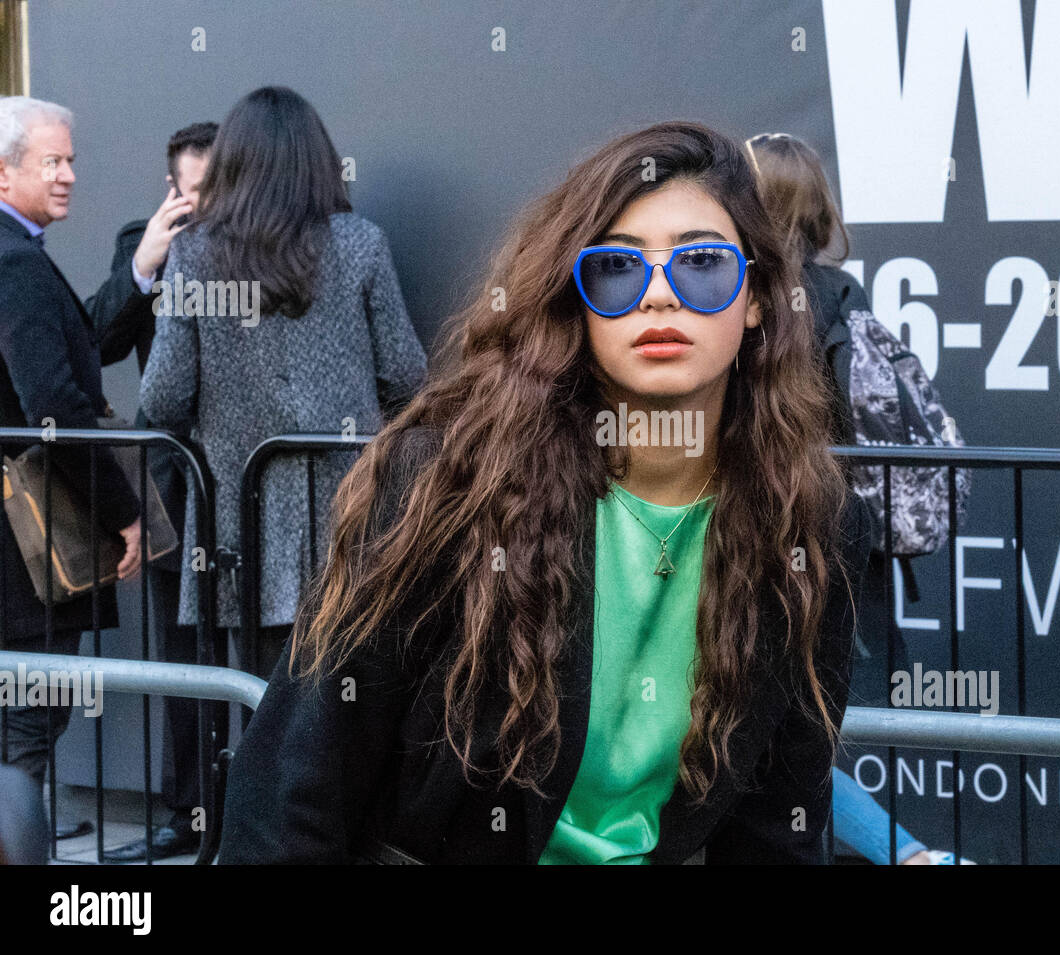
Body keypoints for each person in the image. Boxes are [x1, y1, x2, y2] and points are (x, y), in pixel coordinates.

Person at [218, 120, 874, 864]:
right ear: (578, 301)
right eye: (618, 269)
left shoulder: (808, 523)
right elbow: (296, 781)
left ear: (756, 298)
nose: (659, 295)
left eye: (700, 263)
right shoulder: (451, 481)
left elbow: (777, 827)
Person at [140, 88, 426, 683]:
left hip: (241, 525)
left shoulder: (193, 253)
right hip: (353, 515)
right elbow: (407, 376)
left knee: (264, 708)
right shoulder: (361, 243)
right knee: (349, 707)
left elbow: (162, 399)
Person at [746, 131, 972, 865]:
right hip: (846, 551)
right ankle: (916, 858)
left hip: (771, 551)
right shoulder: (846, 297)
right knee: (793, 743)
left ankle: (912, 857)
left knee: (776, 742)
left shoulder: (754, 304)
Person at [0, 96, 141, 840]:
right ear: (2, 173)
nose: (68, 176)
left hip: (20, 541)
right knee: (32, 707)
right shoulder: (14, 261)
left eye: (72, 160)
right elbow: (52, 403)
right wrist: (123, 511)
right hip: (26, 544)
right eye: (50, 161)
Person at [86, 121, 217, 862]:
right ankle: (187, 812)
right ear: (172, 189)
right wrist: (143, 265)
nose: (205, 208)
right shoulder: (145, 239)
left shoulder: (266, 245)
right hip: (173, 480)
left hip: (250, 473)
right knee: (178, 653)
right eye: (192, 194)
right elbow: (96, 341)